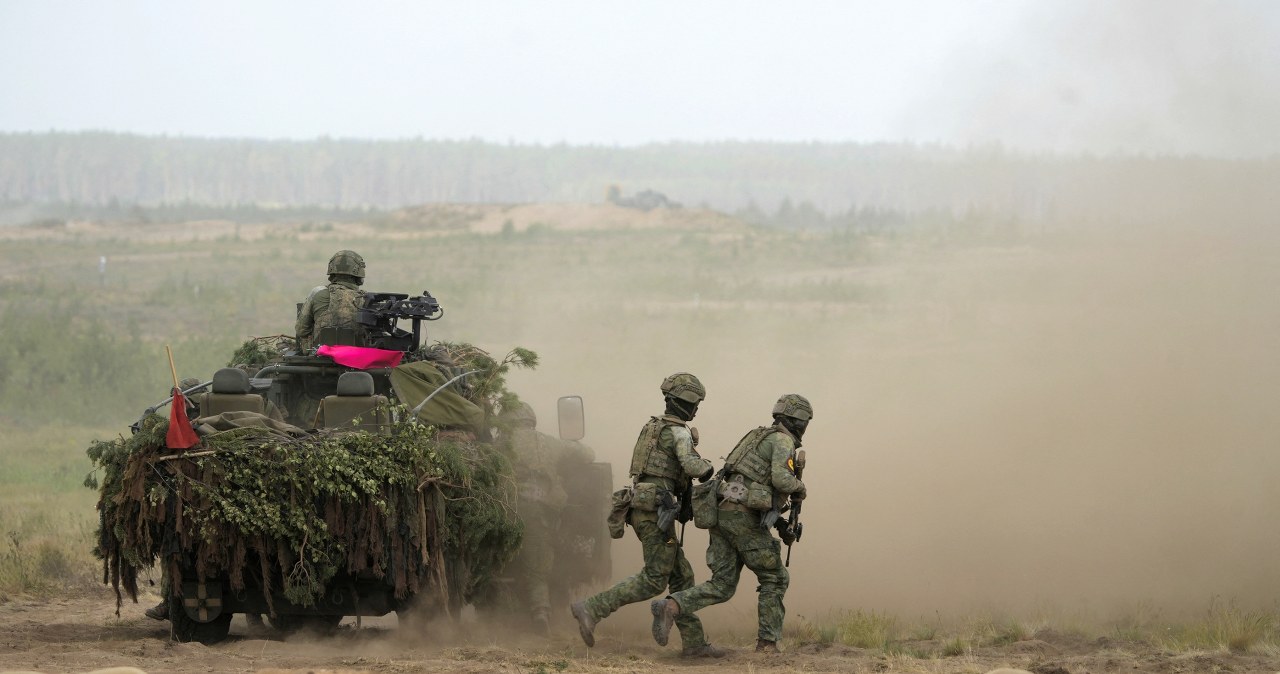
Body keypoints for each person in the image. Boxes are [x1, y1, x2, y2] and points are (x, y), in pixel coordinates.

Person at [570, 373, 726, 658]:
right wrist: (708, 467)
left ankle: (693, 643)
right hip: (656, 513)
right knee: (655, 579)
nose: (696, 410)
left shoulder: (652, 427)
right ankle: (592, 608)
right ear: (685, 404)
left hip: (644, 511)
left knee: (681, 576)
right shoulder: (678, 432)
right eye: (696, 404)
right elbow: (692, 466)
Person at [650, 394, 812, 654]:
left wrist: (780, 523)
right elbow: (781, 481)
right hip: (742, 517)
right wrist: (800, 488)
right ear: (799, 420)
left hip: (722, 513)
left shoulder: (756, 436)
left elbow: (749, 485)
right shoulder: (782, 440)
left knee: (722, 585)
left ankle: (671, 606)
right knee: (775, 577)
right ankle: (768, 643)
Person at [500, 401, 595, 635]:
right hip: (538, 512)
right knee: (538, 566)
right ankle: (540, 611)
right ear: (531, 420)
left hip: (504, 510)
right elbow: (587, 454)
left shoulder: (499, 443)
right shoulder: (550, 442)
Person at [295, 250, 367, 351]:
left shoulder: (317, 293)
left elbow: (301, 330)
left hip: (319, 357)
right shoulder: (365, 299)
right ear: (359, 275)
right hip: (354, 358)